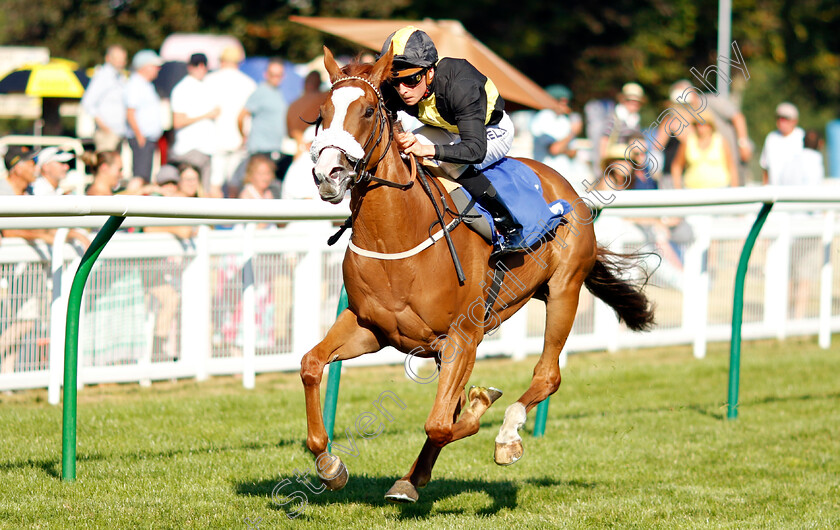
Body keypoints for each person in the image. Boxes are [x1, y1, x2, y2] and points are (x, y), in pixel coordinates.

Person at [379, 26, 524, 254]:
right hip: (446, 127)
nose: (402, 90)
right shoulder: (399, 84)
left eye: (411, 80)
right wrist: (398, 134)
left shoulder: (460, 85)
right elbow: (385, 110)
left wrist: (428, 149)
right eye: (396, 82)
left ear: (430, 72)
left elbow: (474, 149)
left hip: (490, 130)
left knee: (450, 162)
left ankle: (510, 226)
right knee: (401, 154)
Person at [664, 80, 753, 186]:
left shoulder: (712, 101)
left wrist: (743, 143)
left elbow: (737, 117)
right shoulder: (687, 113)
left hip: (734, 157)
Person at [204, 47, 256, 198]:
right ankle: (231, 220)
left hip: (215, 138)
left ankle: (213, 219)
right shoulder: (248, 83)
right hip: (239, 139)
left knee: (214, 184)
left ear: (222, 61)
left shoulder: (209, 80)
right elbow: (248, 115)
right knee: (234, 185)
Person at [169, 53, 220, 196]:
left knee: (204, 193)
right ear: (189, 67)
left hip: (206, 150)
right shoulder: (182, 89)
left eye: (204, 65)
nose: (201, 69)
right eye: (197, 65)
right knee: (190, 193)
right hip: (190, 150)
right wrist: (206, 115)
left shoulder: (206, 86)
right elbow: (177, 121)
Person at [236, 58, 291, 190]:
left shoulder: (277, 93)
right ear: (266, 74)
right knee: (257, 188)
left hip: (274, 148)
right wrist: (243, 136)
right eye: (273, 74)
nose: (276, 78)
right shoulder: (261, 91)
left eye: (279, 75)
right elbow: (241, 116)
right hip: (260, 149)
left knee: (270, 189)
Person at [125, 50, 164, 187]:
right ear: (143, 66)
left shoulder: (145, 84)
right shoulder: (135, 84)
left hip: (147, 137)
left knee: (145, 176)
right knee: (139, 176)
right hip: (142, 137)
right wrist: (139, 135)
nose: (158, 69)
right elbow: (130, 112)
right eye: (154, 66)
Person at [81, 45, 128, 152]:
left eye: (123, 59)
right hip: (107, 134)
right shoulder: (103, 76)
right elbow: (88, 103)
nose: (121, 62)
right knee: (106, 165)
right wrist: (105, 127)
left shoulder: (120, 77)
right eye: (117, 59)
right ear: (108, 58)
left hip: (118, 132)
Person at [529, 84, 582, 178]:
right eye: (560, 101)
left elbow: (573, 152)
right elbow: (554, 149)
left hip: (565, 174)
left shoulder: (565, 120)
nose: (564, 105)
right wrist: (572, 133)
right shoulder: (543, 117)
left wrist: (563, 148)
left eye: (566, 101)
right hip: (547, 176)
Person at [671, 116, 738, 189]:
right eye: (698, 125)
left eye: (703, 125)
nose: (700, 128)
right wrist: (678, 188)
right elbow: (677, 166)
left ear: (710, 126)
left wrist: (734, 188)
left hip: (720, 188)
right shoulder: (688, 141)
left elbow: (731, 166)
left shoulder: (721, 141)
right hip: (692, 189)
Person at [760, 102, 805, 186]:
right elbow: (765, 167)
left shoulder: (801, 137)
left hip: (796, 192)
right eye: (779, 118)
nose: (781, 122)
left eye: (785, 119)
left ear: (794, 121)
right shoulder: (771, 138)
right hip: (774, 192)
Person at [600, 82, 646, 162]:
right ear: (623, 100)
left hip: (629, 159)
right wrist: (603, 161)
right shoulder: (614, 117)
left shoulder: (635, 120)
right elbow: (604, 140)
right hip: (614, 158)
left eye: (637, 102)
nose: (634, 104)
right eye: (630, 101)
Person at [286, 70, 327, 155]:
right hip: (311, 147)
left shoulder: (293, 104)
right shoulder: (324, 98)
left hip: (297, 148)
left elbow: (290, 131)